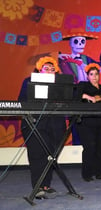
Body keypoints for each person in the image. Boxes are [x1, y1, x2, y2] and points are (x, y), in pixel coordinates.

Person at [18, 56, 66, 199]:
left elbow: (67, 101)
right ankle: (38, 187)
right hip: (34, 123)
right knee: (37, 155)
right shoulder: (29, 82)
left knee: (51, 155)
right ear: (39, 70)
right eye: (46, 69)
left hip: (55, 124)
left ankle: (46, 185)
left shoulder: (59, 85)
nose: (50, 71)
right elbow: (22, 101)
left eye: (53, 69)